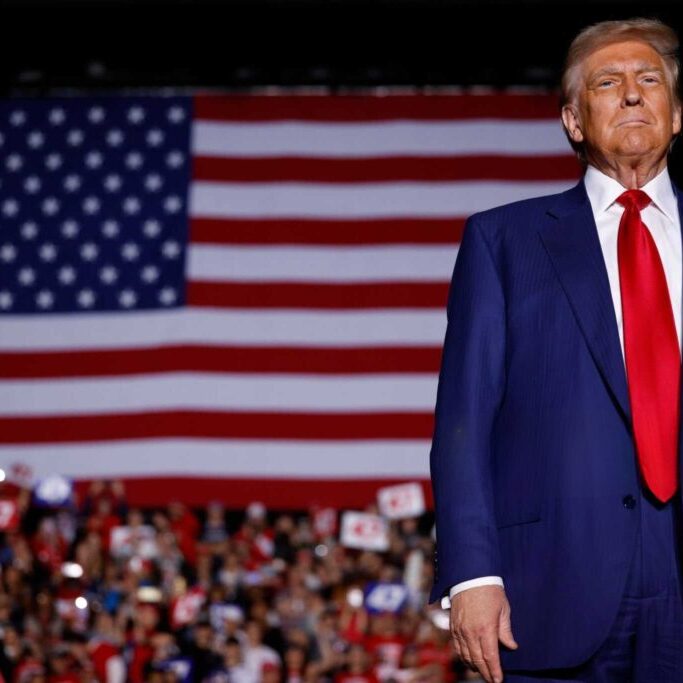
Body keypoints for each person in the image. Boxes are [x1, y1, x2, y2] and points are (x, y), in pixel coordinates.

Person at [429, 17, 683, 683]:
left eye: (648, 79)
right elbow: (462, 424)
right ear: (572, 119)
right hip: (553, 583)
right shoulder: (502, 241)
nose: (631, 94)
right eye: (608, 82)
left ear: (676, 113)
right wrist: (472, 573)